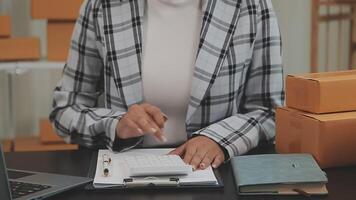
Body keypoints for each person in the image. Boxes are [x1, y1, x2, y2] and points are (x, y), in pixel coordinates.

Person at [50, 0, 284, 170]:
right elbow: (65, 109)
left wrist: (217, 139)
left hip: (215, 174)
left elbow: (270, 113)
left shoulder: (251, 6)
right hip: (121, 176)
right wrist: (116, 125)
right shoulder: (101, 7)